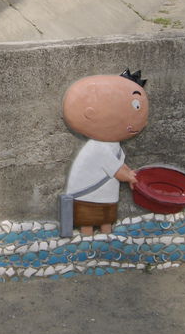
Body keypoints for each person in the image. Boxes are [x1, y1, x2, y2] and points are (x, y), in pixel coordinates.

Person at [61, 70, 149, 236]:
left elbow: (119, 165)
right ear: (90, 113)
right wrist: (128, 177)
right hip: (87, 194)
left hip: (105, 195)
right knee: (88, 220)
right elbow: (116, 170)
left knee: (106, 218)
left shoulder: (112, 144)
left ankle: (106, 234)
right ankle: (87, 236)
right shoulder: (98, 148)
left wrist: (130, 173)